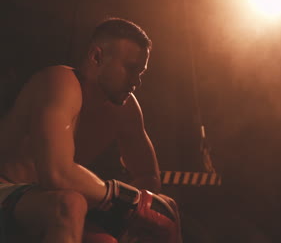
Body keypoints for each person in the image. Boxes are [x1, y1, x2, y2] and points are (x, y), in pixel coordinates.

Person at [0, 18, 180, 242]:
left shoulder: (126, 109)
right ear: (97, 57)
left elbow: (147, 177)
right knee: (71, 204)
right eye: (130, 69)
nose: (136, 81)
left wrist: (131, 218)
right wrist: (130, 201)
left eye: (140, 73)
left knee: (146, 220)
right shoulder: (61, 82)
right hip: (8, 190)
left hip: (46, 203)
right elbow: (56, 174)